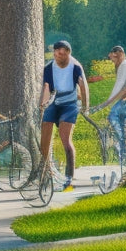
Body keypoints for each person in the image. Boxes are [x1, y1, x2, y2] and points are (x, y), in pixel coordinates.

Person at [38, 39, 89, 192]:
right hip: (55, 101)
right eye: (58, 53)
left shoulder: (75, 66)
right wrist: (42, 105)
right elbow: (46, 88)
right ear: (54, 53)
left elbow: (83, 86)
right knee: (45, 137)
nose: (61, 56)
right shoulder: (48, 68)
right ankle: (47, 173)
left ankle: (69, 179)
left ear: (68, 54)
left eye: (64, 54)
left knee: (65, 139)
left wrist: (85, 107)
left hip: (70, 104)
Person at [91, 45, 126, 163]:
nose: (111, 60)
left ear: (119, 54)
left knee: (120, 122)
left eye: (112, 57)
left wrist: (105, 104)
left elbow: (119, 85)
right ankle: (125, 150)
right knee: (122, 124)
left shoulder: (125, 65)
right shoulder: (125, 65)